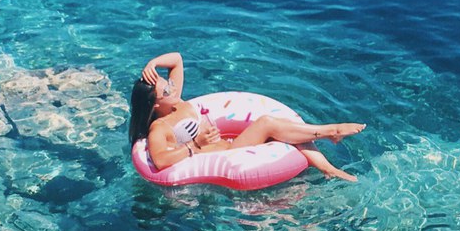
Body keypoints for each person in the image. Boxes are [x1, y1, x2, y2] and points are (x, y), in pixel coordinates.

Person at [128, 52, 365, 182]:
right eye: (166, 90)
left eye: (169, 84)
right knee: (268, 123)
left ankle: (328, 168)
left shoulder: (176, 102)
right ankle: (331, 131)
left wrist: (153, 63)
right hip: (227, 155)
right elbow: (161, 160)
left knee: (286, 129)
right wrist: (194, 145)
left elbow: (177, 60)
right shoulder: (160, 127)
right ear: (155, 104)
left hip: (231, 144)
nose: (172, 88)